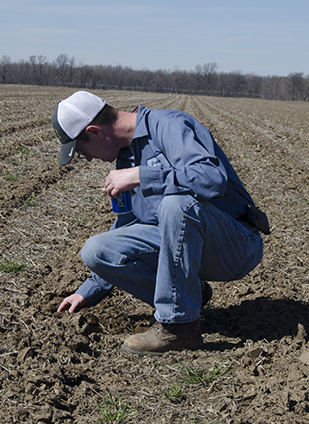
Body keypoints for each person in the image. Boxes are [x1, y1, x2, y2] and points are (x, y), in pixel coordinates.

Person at [52, 91, 267, 355]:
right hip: (187, 245)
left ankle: (178, 327)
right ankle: (192, 296)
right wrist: (90, 289)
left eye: (82, 151)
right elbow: (128, 225)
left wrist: (143, 174)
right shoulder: (125, 157)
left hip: (235, 245)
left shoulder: (169, 126)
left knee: (175, 204)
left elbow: (211, 179)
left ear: (95, 131)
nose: (88, 159)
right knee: (96, 250)